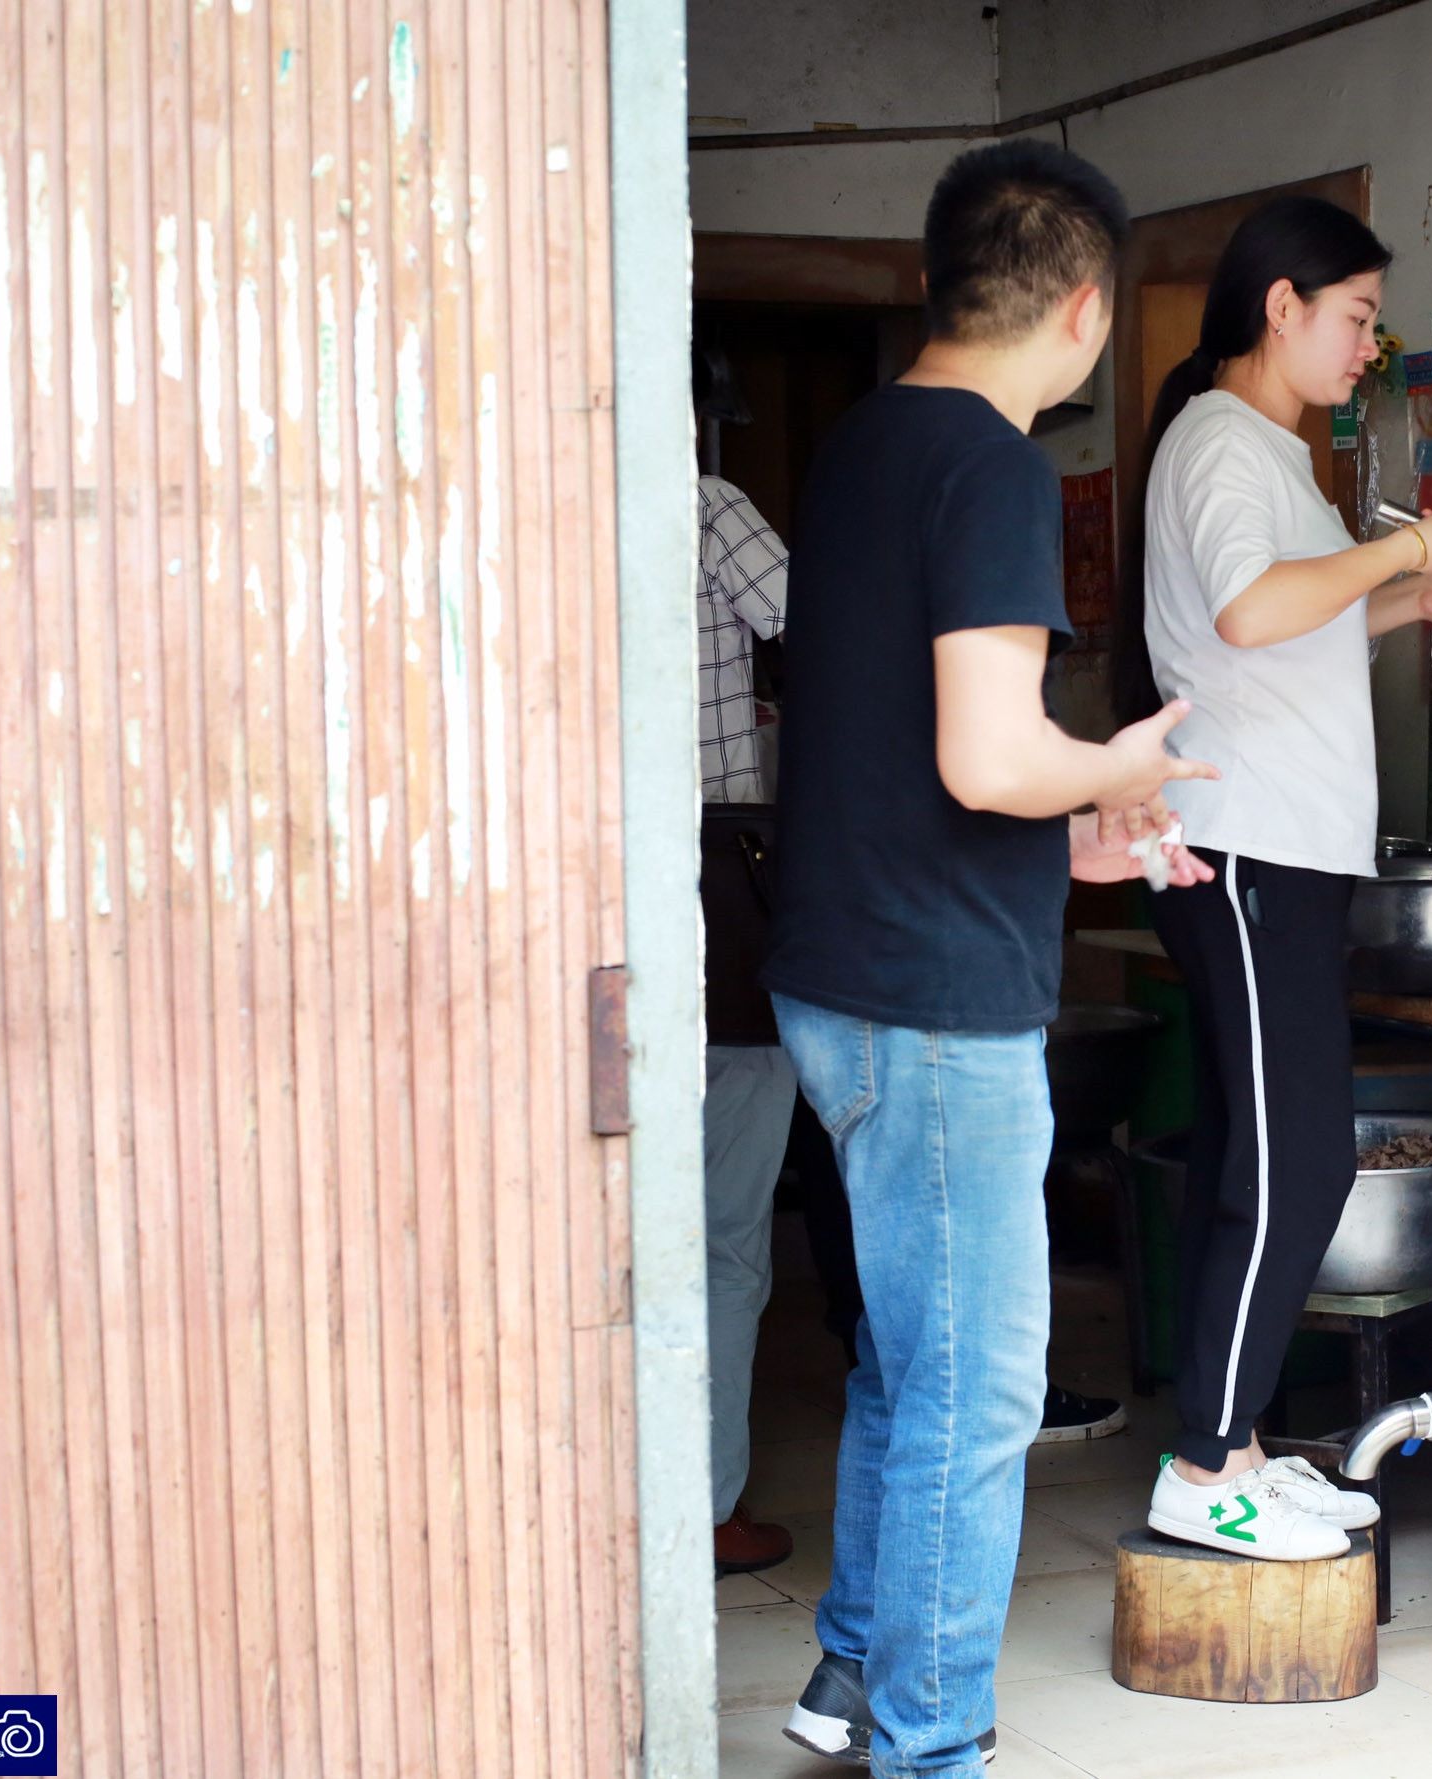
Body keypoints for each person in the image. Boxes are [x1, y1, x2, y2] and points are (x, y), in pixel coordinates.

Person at [764, 140, 1214, 1774]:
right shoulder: (999, 465)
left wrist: (1074, 830)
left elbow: (917, 755)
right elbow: (985, 752)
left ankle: (845, 1677)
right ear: (1087, 309)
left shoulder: (865, 444)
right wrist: (1120, 762)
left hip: (843, 970)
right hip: (932, 1002)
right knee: (974, 1392)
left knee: (904, 1350)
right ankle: (931, 1744)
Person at [1115, 195, 1432, 1562]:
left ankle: (1232, 1443)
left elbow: (1282, 624)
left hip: (1281, 854)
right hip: (1250, 853)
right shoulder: (1223, 442)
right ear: (1279, 306)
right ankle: (1205, 1459)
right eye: (1355, 317)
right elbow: (1247, 610)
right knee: (1296, 1166)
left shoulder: (1266, 453)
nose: (1367, 345)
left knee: (1255, 1149)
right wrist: (1408, 546)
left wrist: (1407, 598)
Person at [691, 345, 801, 1576]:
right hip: (718, 884)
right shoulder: (709, 508)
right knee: (722, 1230)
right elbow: (827, 631)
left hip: (571, 890)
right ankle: (703, 1509)